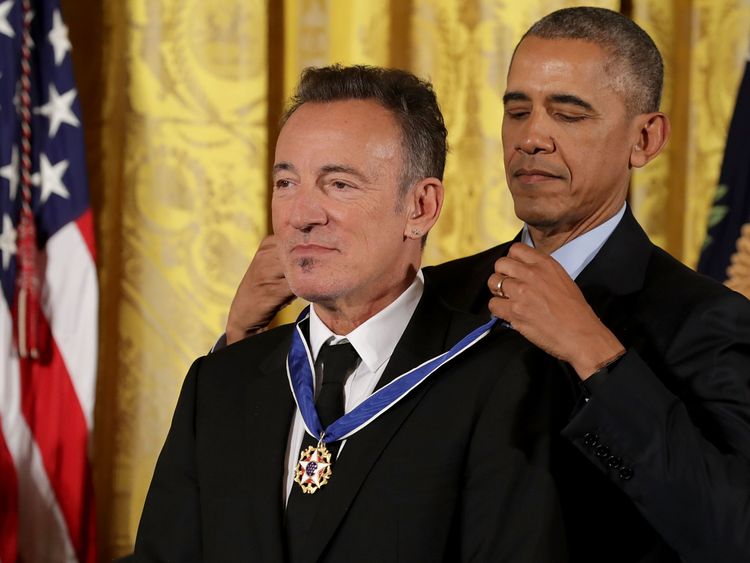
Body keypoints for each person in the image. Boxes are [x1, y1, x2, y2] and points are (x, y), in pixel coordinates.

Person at [222, 7, 750, 563]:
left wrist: (596, 355)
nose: (532, 138)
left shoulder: (707, 319)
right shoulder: (433, 292)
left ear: (644, 139)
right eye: (517, 111)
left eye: (568, 115)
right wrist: (239, 338)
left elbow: (732, 533)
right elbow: (325, 487)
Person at [133, 65, 567, 562]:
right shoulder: (219, 382)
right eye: (286, 182)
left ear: (420, 207)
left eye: (338, 184)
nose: (300, 215)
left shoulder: (501, 378)